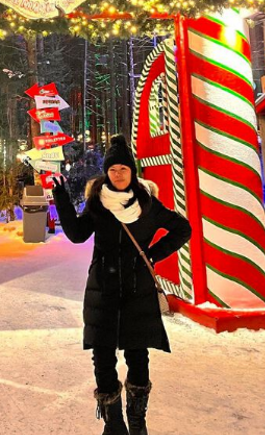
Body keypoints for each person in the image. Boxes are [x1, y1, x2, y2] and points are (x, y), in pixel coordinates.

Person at [53, 134, 192, 435]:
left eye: (123, 169)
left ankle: (138, 421)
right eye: (112, 170)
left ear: (132, 172)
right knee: (102, 357)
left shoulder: (147, 205)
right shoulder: (98, 203)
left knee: (137, 354)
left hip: (136, 290)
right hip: (102, 289)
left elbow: (183, 228)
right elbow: (77, 234)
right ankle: (114, 424)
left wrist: (152, 256)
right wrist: (62, 202)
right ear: (106, 173)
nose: (117, 175)